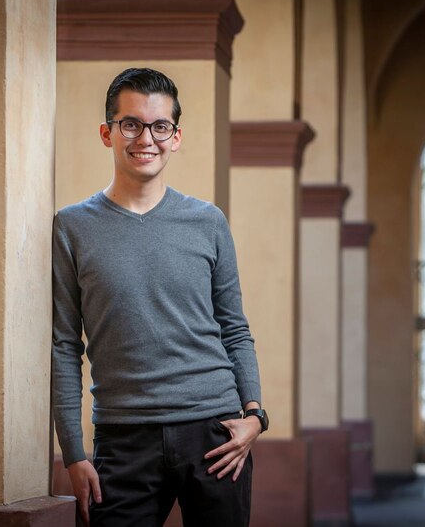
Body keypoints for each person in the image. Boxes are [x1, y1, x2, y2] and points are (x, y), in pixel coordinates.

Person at [52, 67, 268, 527]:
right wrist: (72, 452)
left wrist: (254, 415)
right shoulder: (72, 227)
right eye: (130, 123)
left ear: (175, 136)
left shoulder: (208, 222)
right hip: (123, 439)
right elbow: (64, 345)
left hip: (216, 434)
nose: (144, 138)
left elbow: (234, 327)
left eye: (159, 126)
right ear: (107, 132)